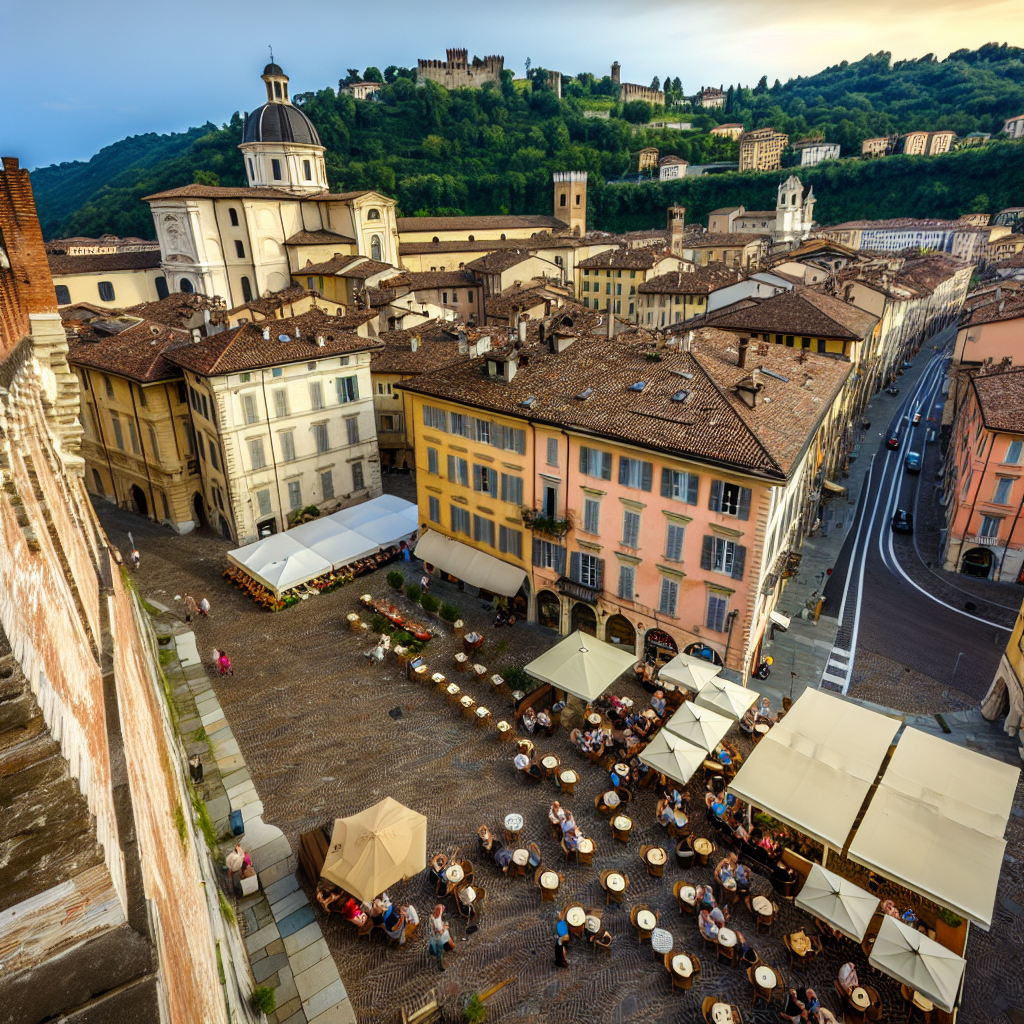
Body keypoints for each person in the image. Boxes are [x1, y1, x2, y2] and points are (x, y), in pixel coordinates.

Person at [428, 905, 452, 971]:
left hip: (434, 937)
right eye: (441, 911)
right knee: (440, 952)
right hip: (437, 938)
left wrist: (445, 924)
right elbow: (439, 931)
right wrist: (444, 928)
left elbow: (440, 923)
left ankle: (433, 950)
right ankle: (440, 967)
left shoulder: (433, 917)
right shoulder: (435, 920)